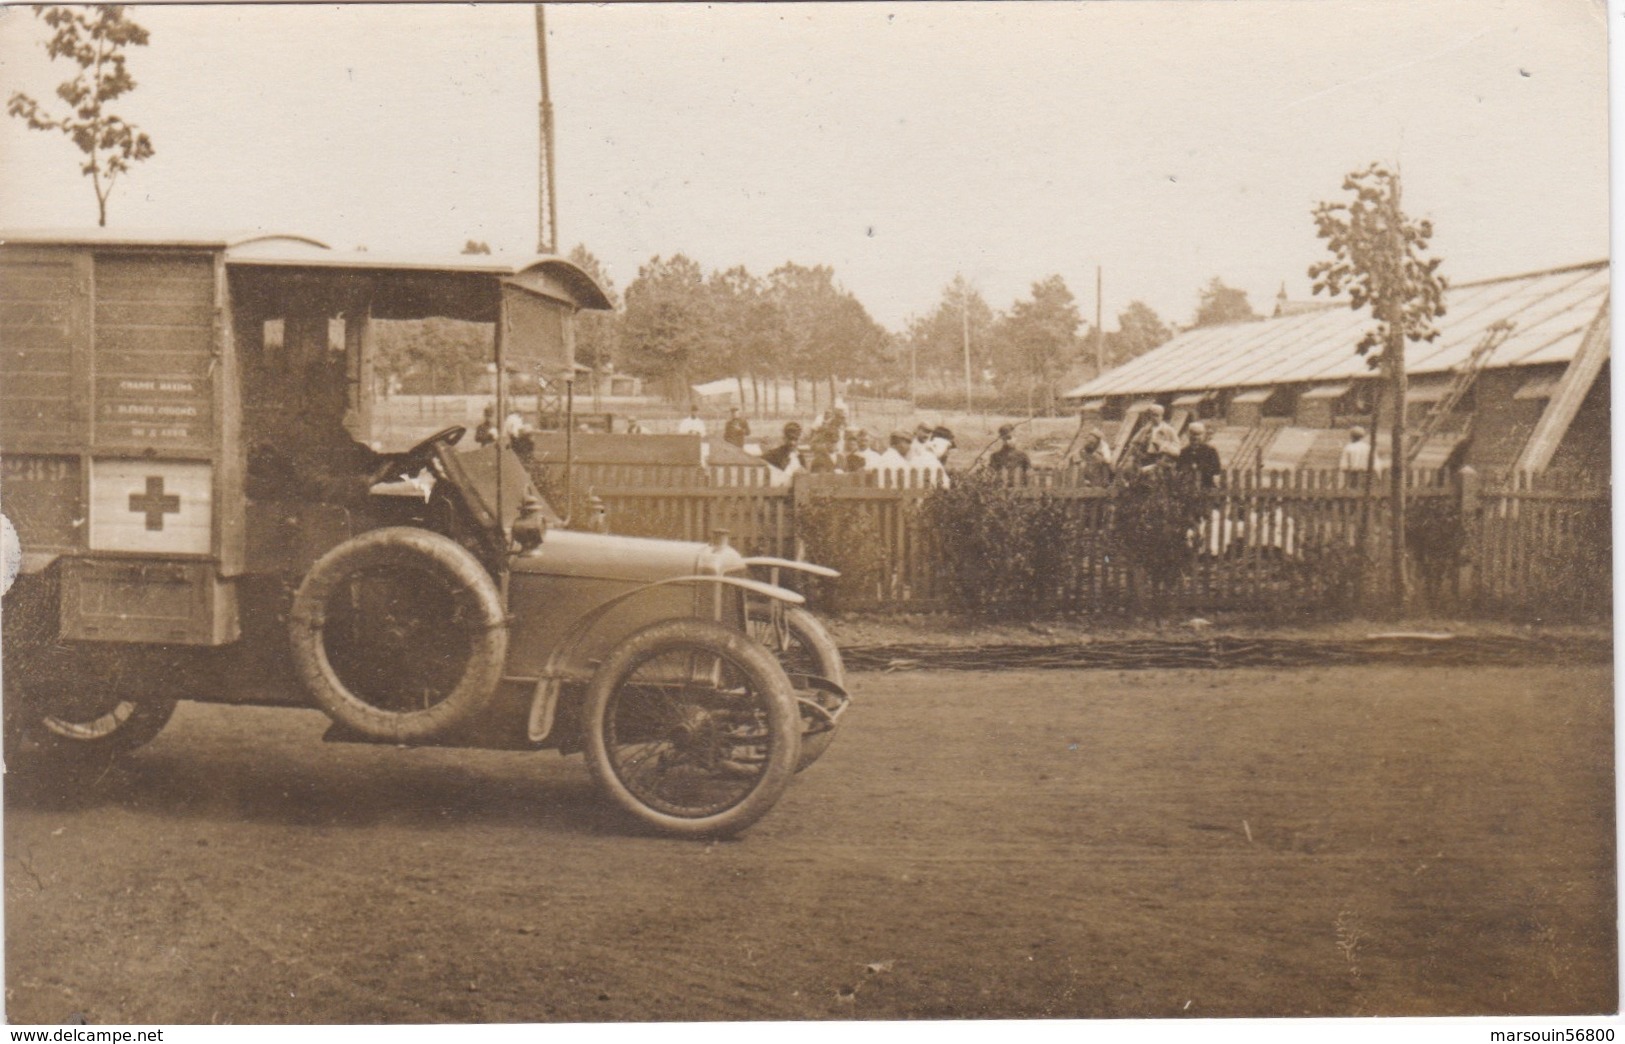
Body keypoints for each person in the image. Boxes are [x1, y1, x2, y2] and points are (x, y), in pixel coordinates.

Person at [1176, 421, 1222, 489]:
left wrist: (1200, 467)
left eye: (1198, 434)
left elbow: (1216, 469)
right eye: (1193, 434)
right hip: (1188, 486)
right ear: (1189, 435)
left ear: (1203, 435)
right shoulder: (1184, 451)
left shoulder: (1210, 451)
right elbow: (1179, 468)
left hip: (1206, 484)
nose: (1195, 437)